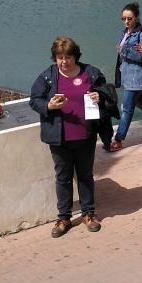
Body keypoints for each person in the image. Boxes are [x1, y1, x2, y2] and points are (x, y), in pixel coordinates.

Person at [29, 37, 106, 238]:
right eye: (60, 57)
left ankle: (89, 213)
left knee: (85, 175)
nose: (64, 61)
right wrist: (48, 106)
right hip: (59, 138)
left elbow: (106, 93)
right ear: (55, 58)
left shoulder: (91, 73)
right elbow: (34, 100)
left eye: (68, 57)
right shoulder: (48, 77)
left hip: (85, 135)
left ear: (76, 56)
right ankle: (64, 217)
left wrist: (101, 97)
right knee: (63, 178)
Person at [110, 2, 142, 151]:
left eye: (129, 18)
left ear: (136, 18)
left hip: (137, 78)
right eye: (124, 19)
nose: (126, 21)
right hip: (128, 77)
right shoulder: (125, 33)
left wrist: (124, 52)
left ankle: (119, 139)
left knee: (127, 108)